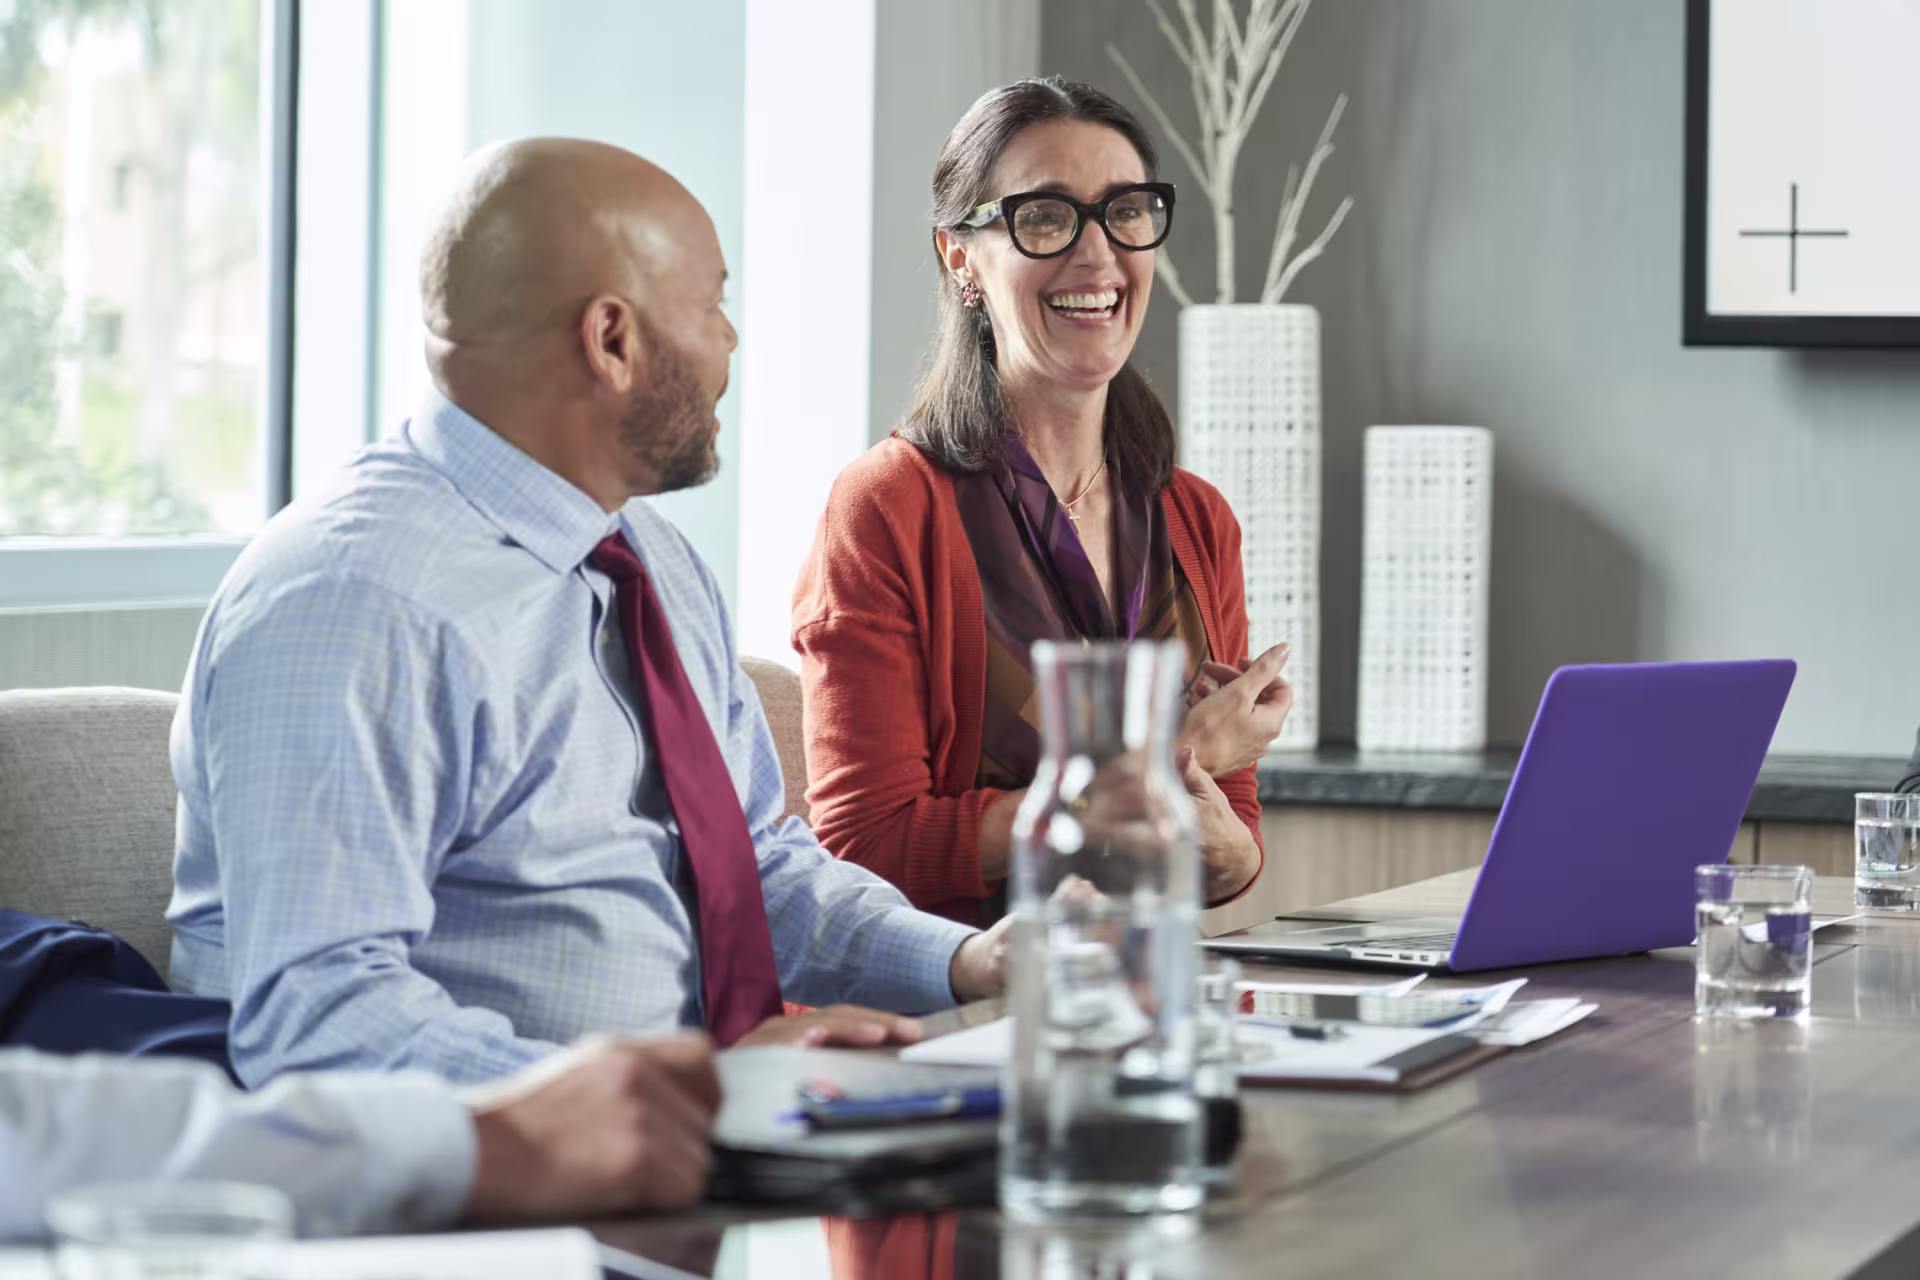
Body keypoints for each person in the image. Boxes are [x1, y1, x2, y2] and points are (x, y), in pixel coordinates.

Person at [167, 137, 1008, 1088]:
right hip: (483, 1204)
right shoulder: (354, 603)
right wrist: (685, 1089)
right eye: (712, 304)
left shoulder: (650, 558)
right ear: (612, 341)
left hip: (700, 1149)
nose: (730, 341)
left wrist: (967, 962)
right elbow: (319, 1023)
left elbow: (756, 867)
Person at [793, 78, 1291, 925]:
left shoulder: (1196, 520)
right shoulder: (886, 508)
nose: (1097, 256)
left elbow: (1229, 842)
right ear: (962, 257)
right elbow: (861, 846)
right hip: (945, 1014)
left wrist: (1228, 845)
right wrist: (1167, 765)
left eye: (1125, 210)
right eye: (1046, 217)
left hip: (1136, 992)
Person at [0, 1033, 719, 1239]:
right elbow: (321, 1018)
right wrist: (494, 1138)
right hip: (525, 1171)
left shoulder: (696, 661)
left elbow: (758, 854)